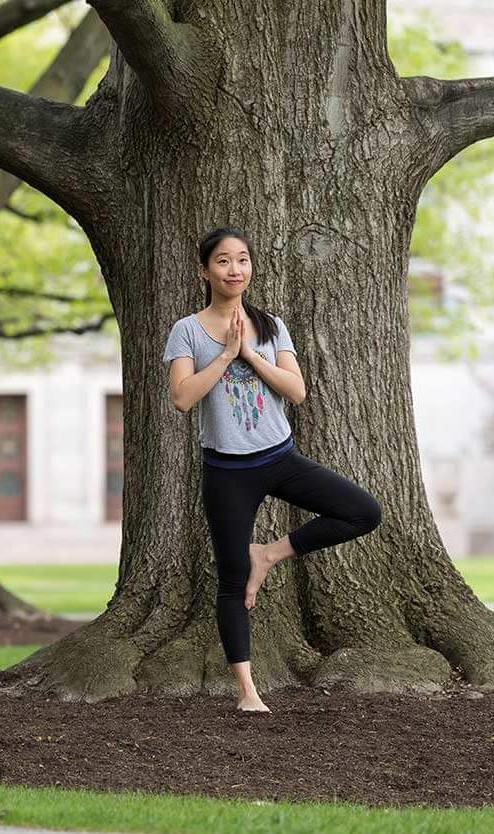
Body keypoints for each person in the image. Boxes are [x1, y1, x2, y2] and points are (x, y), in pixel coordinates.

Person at [163, 226, 382, 713]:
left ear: (251, 267)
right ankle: (247, 691)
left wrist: (249, 353)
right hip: (226, 471)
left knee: (363, 511)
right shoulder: (188, 330)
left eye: (242, 260)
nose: (234, 269)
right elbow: (182, 398)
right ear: (205, 270)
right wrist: (223, 354)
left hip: (279, 458)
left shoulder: (272, 326)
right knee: (231, 578)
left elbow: (296, 391)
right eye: (223, 261)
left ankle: (270, 554)